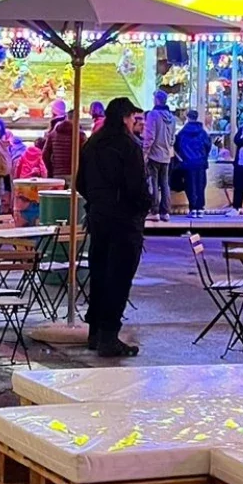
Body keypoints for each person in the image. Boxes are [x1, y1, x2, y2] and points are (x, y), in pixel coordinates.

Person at [76, 97, 151, 357]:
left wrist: (97, 201)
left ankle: (95, 332)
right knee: (118, 277)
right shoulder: (128, 146)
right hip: (124, 221)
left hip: (98, 218)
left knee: (99, 273)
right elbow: (136, 186)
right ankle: (109, 336)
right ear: (124, 118)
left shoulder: (92, 143)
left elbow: (80, 183)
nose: (134, 123)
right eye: (133, 118)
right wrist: (143, 206)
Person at [141, 90, 178, 222]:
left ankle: (155, 210)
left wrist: (145, 152)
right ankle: (165, 212)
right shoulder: (172, 118)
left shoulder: (153, 115)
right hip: (167, 155)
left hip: (154, 155)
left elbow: (149, 136)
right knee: (165, 183)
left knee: (154, 183)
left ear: (156, 100)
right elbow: (173, 139)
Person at [174, 109, 212, 217]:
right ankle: (200, 208)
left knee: (190, 186)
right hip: (200, 162)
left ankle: (193, 208)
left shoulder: (182, 133)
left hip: (187, 162)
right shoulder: (203, 132)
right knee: (200, 185)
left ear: (187, 117)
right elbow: (208, 145)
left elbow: (177, 146)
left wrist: (182, 158)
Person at [44, 110, 84, 185]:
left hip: (57, 174)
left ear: (66, 117)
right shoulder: (80, 135)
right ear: (77, 119)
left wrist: (50, 170)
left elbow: (45, 154)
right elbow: (85, 155)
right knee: (72, 196)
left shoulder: (53, 134)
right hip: (74, 174)